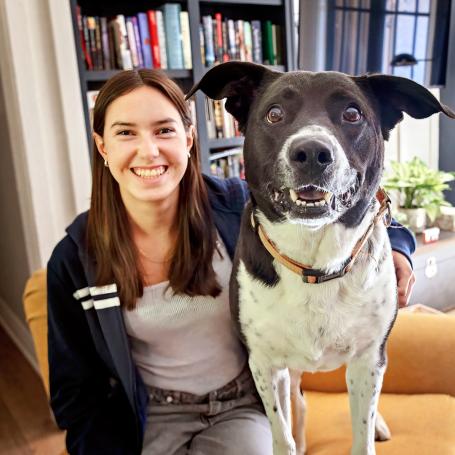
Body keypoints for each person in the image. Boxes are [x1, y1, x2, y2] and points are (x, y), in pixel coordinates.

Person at [47, 69, 416, 455]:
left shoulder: (238, 205)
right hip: (150, 415)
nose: (149, 150)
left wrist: (400, 247)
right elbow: (74, 394)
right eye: (125, 133)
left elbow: (364, 214)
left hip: (241, 408)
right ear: (102, 146)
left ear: (189, 139)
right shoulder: (74, 261)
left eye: (164, 130)